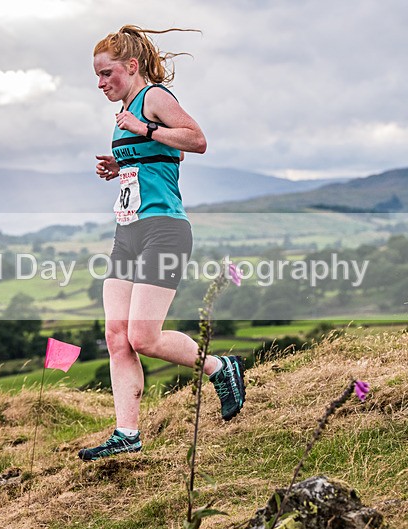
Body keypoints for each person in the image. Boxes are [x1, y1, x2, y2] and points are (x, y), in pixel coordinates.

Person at [78, 25, 246, 462]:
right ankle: (126, 434)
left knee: (144, 336)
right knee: (117, 335)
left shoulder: (152, 98)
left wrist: (144, 129)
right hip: (128, 231)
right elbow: (160, 157)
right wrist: (120, 163)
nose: (100, 83)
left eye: (106, 73)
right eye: (96, 76)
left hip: (164, 230)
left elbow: (196, 140)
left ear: (130, 67)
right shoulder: (128, 111)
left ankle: (219, 367)